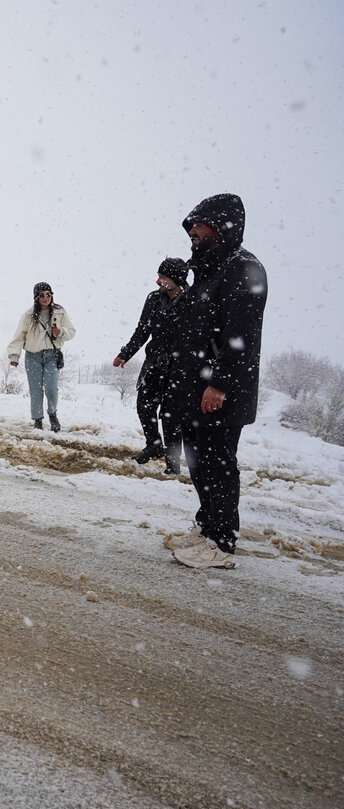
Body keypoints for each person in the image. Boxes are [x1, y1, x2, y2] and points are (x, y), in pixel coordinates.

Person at [163, 194, 267, 570]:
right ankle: (207, 528)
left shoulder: (243, 268)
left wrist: (220, 384)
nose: (192, 231)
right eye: (190, 226)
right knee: (200, 463)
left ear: (221, 227)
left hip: (221, 391)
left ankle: (221, 543)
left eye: (199, 225)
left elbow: (241, 335)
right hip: (197, 387)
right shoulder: (209, 270)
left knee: (218, 465)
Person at [113, 257, 190, 474]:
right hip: (154, 363)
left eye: (163, 277)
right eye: (158, 276)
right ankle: (154, 445)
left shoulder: (192, 301)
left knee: (170, 416)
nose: (157, 281)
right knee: (144, 406)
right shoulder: (154, 299)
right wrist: (125, 354)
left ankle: (173, 464)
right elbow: (143, 330)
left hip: (179, 368)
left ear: (176, 279)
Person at [7, 282, 76, 431]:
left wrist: (61, 332)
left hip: (52, 355)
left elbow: (72, 331)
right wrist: (14, 356)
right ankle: (37, 420)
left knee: (51, 389)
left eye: (48, 295)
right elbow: (19, 336)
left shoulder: (60, 312)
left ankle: (53, 415)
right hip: (33, 356)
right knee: (36, 390)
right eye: (42, 295)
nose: (45, 298)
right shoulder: (28, 315)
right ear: (36, 297)